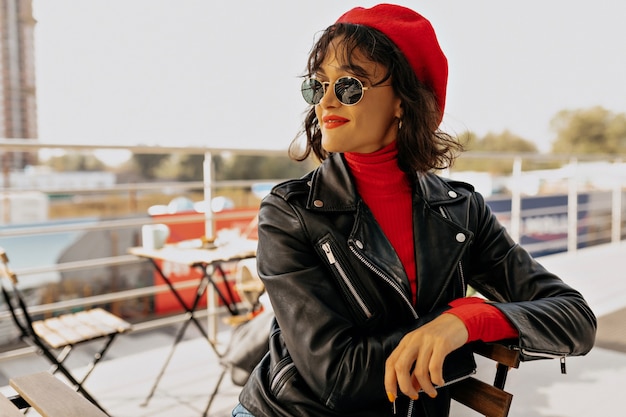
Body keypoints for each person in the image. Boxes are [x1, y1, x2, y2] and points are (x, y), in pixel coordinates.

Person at [233, 4, 596, 417]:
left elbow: (576, 318)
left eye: (350, 85)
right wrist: (448, 336)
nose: (327, 101)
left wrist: (469, 321)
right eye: (317, 87)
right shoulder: (291, 212)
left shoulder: (460, 210)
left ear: (403, 101)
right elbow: (337, 376)